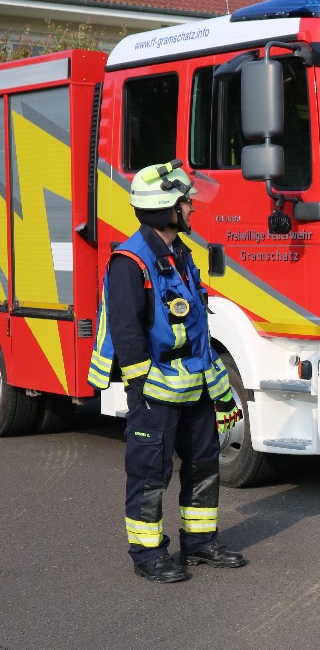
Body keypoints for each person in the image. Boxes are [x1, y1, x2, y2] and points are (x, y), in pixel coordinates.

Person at [87, 160, 246, 583]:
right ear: (166, 209)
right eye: (185, 202)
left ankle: (200, 543)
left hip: (194, 388)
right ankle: (148, 554)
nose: (192, 207)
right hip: (155, 393)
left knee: (204, 465)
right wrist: (142, 386)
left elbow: (196, 328)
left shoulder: (180, 253)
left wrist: (218, 389)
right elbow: (126, 330)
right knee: (150, 473)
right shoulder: (130, 261)